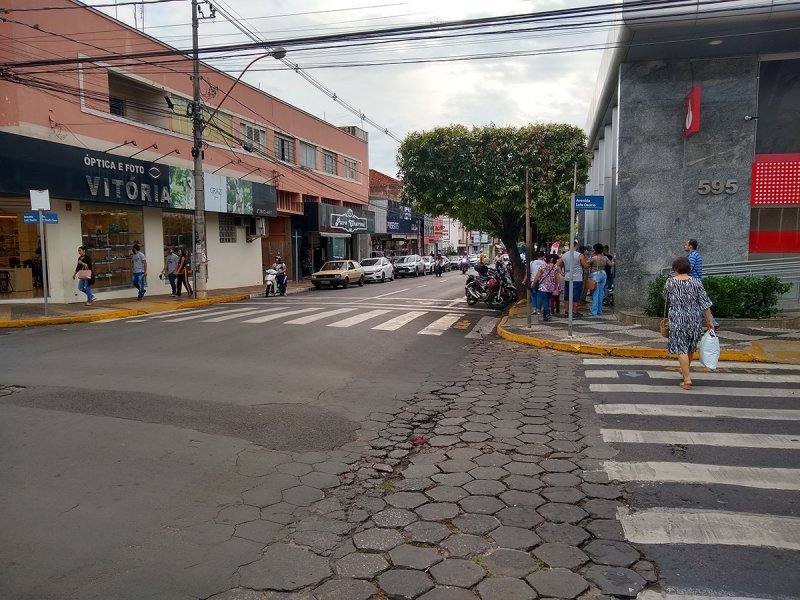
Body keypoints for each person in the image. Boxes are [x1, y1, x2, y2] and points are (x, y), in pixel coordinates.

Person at [663, 256, 715, 390]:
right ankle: (684, 370)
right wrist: (709, 322)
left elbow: (665, 297)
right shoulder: (697, 282)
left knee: (681, 349)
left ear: (675, 269)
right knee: (691, 347)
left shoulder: (670, 282)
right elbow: (705, 304)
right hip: (694, 319)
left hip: (677, 318)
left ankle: (687, 379)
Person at [558, 242, 589, 316]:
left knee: (567, 295)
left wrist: (562, 273)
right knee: (576, 295)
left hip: (567, 277)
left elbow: (558, 265)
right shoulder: (580, 255)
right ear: (576, 246)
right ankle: (574, 312)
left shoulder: (564, 255)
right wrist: (589, 263)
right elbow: (585, 266)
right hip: (577, 278)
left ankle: (567, 311)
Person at [532, 253, 561, 322]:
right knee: (547, 300)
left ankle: (547, 314)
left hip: (543, 287)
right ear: (551, 259)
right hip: (551, 287)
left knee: (545, 301)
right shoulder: (555, 267)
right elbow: (557, 277)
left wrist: (533, 283)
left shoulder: (543, 266)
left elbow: (538, 276)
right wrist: (558, 286)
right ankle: (545, 316)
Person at [588, 243, 613, 317]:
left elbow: (587, 263)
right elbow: (611, 264)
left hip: (596, 275)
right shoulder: (605, 258)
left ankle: (594, 312)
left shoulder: (594, 258)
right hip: (603, 274)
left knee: (595, 294)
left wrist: (591, 256)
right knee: (601, 293)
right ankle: (599, 310)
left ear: (595, 250)